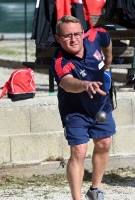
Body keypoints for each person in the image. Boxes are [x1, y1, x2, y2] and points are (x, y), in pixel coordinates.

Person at [50, 15, 116, 200]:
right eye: (67, 36)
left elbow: (106, 36)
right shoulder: (60, 61)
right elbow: (67, 83)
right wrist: (84, 85)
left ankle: (95, 190)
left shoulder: (94, 37)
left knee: (104, 143)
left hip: (100, 104)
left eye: (77, 34)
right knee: (79, 151)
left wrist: (108, 60)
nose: (73, 39)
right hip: (75, 109)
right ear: (58, 38)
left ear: (83, 33)